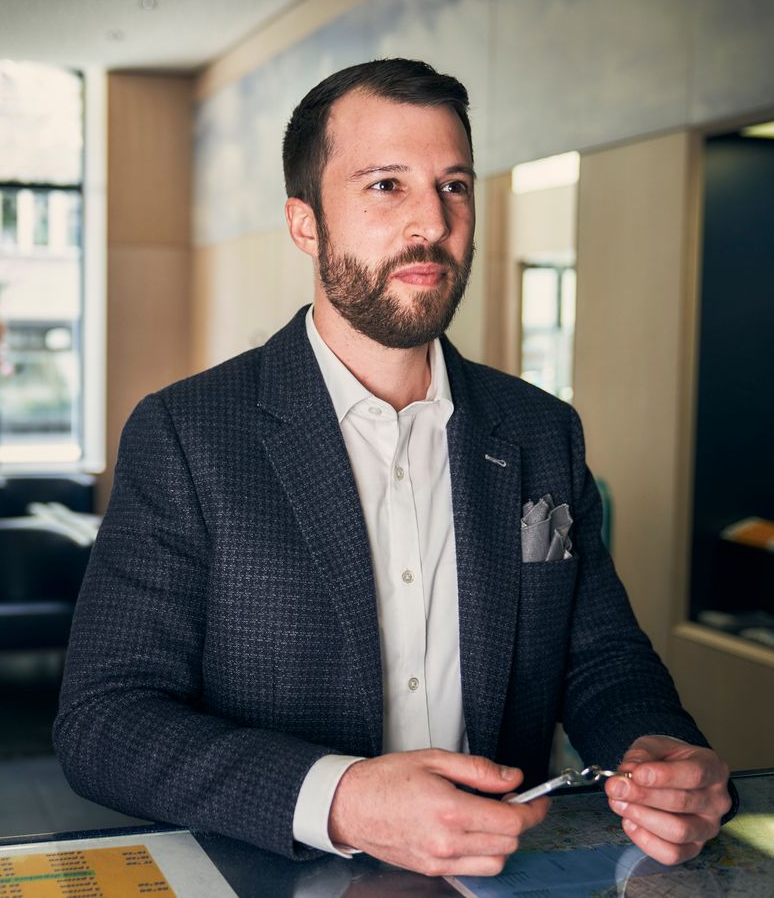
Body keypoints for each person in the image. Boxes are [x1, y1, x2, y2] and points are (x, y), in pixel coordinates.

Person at [54, 58, 732, 878]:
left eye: (454, 185)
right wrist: (341, 799)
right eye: (385, 185)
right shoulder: (187, 433)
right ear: (305, 223)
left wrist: (655, 753)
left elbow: (601, 660)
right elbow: (104, 720)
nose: (431, 222)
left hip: (498, 880)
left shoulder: (541, 431)